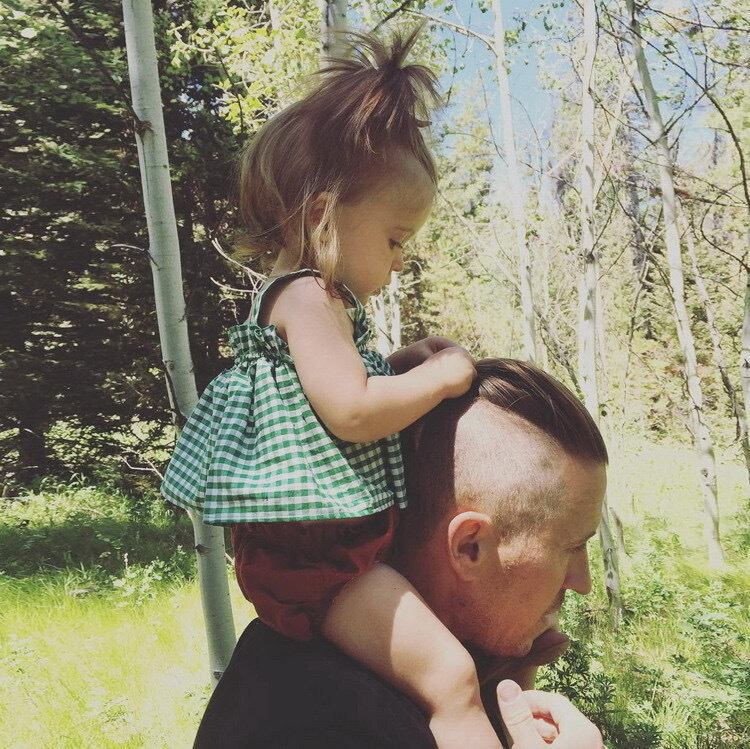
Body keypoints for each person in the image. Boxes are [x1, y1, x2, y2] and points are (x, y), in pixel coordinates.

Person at [162, 24, 504, 748]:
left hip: (324, 553)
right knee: (452, 680)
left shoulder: (312, 304)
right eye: (395, 238)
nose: (401, 259)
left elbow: (339, 386)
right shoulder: (309, 296)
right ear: (324, 215)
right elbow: (350, 410)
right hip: (323, 564)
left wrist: (403, 362)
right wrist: (442, 378)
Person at [192, 358, 608, 748]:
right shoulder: (322, 723)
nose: (583, 583)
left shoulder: (340, 667)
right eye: (572, 547)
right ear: (469, 547)